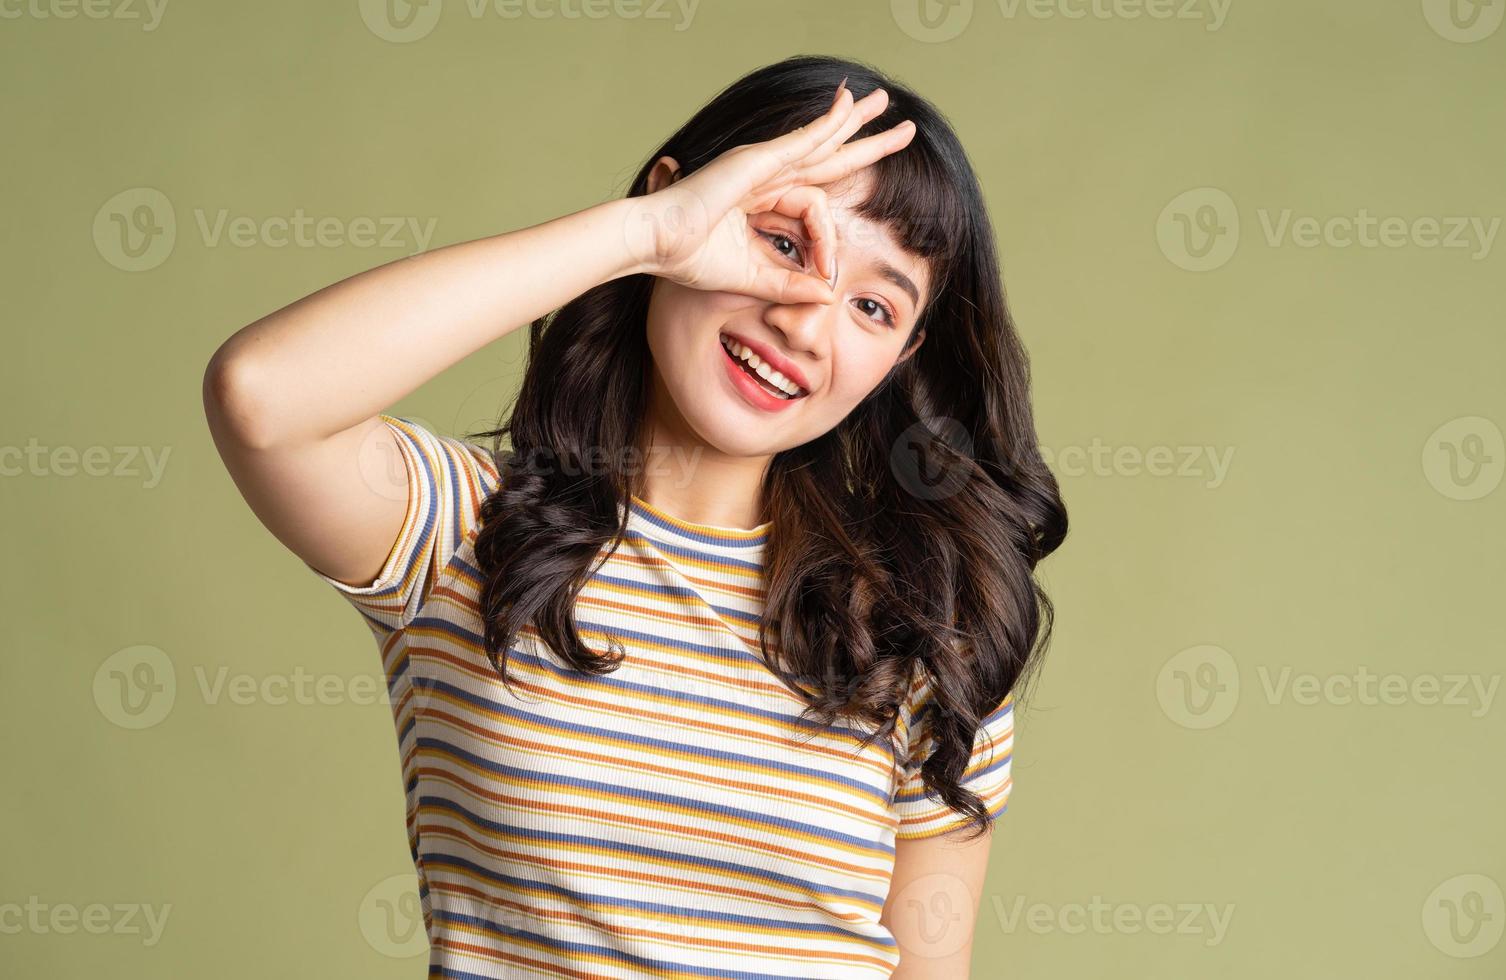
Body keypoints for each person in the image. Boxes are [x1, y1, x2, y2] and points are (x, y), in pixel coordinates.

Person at [203, 53, 1067, 979]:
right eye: (783, 242)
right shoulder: (460, 534)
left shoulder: (923, 628)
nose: (805, 323)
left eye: (870, 305)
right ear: (675, 205)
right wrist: (647, 233)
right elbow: (262, 396)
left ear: (902, 356)